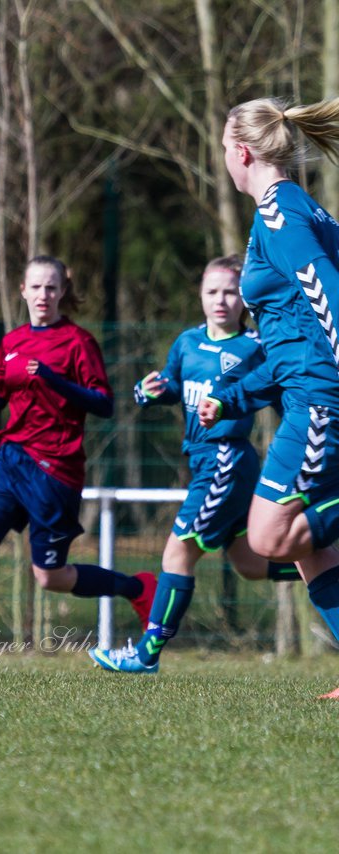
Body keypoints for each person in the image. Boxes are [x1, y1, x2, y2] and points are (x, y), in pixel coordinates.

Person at [0, 256, 155, 670]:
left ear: (63, 291)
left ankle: (137, 587)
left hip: (55, 471)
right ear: (22, 291)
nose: (44, 295)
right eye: (36, 287)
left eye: (52, 287)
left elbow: (104, 403)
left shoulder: (78, 342)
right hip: (10, 462)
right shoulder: (11, 342)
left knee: (50, 577)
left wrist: (51, 377)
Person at [196, 96, 339, 697]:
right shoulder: (296, 209)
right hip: (305, 391)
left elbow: (328, 296)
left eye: (225, 150)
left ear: (244, 152)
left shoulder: (281, 216)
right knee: (309, 551)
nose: (224, 160)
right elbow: (287, 338)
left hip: (320, 403)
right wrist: (234, 398)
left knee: (268, 538)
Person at [91, 255, 295, 675]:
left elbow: (283, 401)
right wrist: (151, 391)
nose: (221, 300)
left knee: (176, 553)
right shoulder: (186, 342)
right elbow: (172, 384)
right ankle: (325, 563)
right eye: (212, 291)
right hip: (205, 463)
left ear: (244, 298)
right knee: (250, 564)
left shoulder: (256, 348)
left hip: (227, 460)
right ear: (200, 296)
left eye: (230, 291)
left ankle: (146, 653)